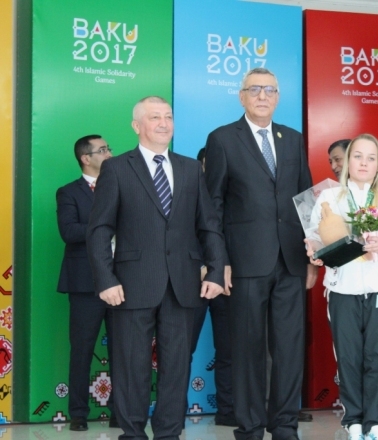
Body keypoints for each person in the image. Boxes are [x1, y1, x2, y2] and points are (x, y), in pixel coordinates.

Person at [87, 96, 226, 439]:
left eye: (168, 116)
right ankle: (132, 433)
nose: (164, 123)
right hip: (131, 285)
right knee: (131, 366)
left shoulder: (191, 168)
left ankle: (169, 433)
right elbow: (100, 229)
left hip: (183, 285)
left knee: (177, 366)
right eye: (154, 117)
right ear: (137, 126)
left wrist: (217, 270)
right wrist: (106, 278)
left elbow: (209, 225)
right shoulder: (117, 168)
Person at [204, 67, 316, 440]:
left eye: (270, 89)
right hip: (245, 263)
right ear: (242, 96)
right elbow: (213, 207)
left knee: (288, 348)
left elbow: (306, 200)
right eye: (255, 90)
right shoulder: (222, 139)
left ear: (278, 96)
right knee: (248, 349)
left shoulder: (293, 138)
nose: (263, 96)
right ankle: (250, 427)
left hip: (291, 262)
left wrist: (314, 256)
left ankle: (284, 425)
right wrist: (220, 263)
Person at [307, 134, 378, 440]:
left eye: (371, 157)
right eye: (358, 156)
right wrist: (312, 245)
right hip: (343, 291)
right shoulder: (329, 199)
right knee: (350, 358)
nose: (364, 163)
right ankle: (354, 422)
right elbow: (316, 238)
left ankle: (376, 423)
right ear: (347, 162)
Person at [56, 134, 115, 431]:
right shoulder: (68, 192)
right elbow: (69, 232)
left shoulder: (121, 188)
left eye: (109, 148)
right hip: (85, 284)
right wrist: (107, 226)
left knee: (125, 349)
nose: (109, 153)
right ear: (85, 158)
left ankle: (123, 411)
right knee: (81, 349)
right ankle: (78, 413)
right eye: (102, 150)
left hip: (122, 281)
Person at [187, 147, 237, 428]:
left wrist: (221, 268)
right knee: (181, 350)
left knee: (228, 350)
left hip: (227, 284)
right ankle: (172, 412)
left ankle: (228, 411)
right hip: (189, 282)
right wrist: (202, 268)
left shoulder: (233, 199)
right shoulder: (184, 192)